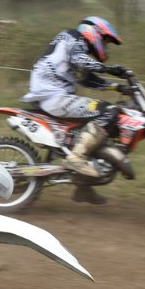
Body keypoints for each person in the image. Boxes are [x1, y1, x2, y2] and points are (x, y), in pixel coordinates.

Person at [21, 16, 129, 205]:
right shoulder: (71, 37)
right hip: (54, 97)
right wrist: (111, 69)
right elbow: (82, 62)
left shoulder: (78, 48)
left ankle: (83, 186)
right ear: (95, 32)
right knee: (109, 111)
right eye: (105, 41)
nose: (105, 46)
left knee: (94, 130)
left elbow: (87, 79)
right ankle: (76, 158)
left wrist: (118, 87)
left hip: (55, 97)